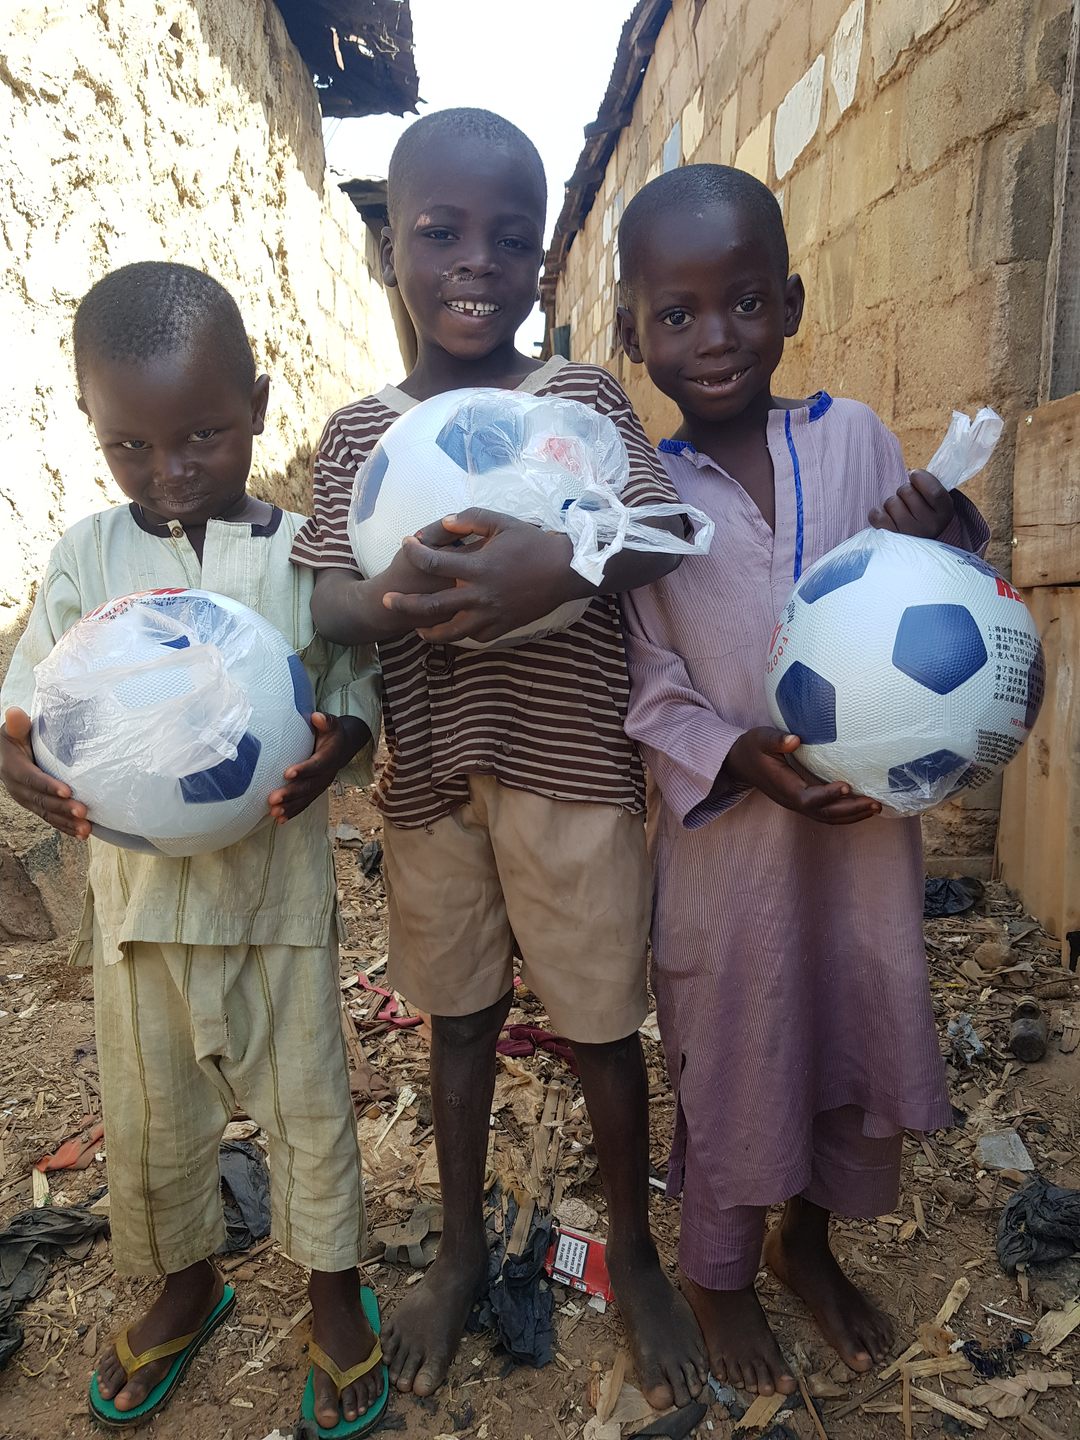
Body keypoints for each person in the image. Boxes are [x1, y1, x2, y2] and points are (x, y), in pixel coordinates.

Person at [293, 108, 708, 1409]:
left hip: (572, 768)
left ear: (542, 263)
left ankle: (635, 1254)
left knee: (599, 1026)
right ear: (391, 251)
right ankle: (463, 1250)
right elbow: (325, 595)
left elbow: (663, 531)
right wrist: (390, 597)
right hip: (431, 780)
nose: (476, 260)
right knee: (461, 1022)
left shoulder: (577, 402)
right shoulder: (358, 438)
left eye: (511, 238)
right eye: (441, 232)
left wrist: (561, 561)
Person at [615, 164, 988, 1396]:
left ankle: (806, 1244)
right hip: (730, 850)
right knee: (740, 1044)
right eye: (678, 314)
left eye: (744, 303)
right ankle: (719, 1274)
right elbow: (648, 678)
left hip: (862, 836)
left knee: (848, 1021)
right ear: (633, 333)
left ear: (790, 302)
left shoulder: (855, 438)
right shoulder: (644, 501)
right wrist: (734, 756)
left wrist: (937, 526)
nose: (717, 337)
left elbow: (936, 602)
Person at [0, 262, 388, 1437]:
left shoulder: (302, 552)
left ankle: (334, 1293)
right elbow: (29, 703)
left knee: (308, 1105)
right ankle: (186, 1282)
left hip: (274, 901)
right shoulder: (86, 559)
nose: (169, 471)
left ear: (258, 407)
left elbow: (353, 680)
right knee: (152, 1114)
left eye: (202, 436)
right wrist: (16, 763)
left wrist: (341, 737)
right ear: (95, 428)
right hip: (139, 913)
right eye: (132, 446)